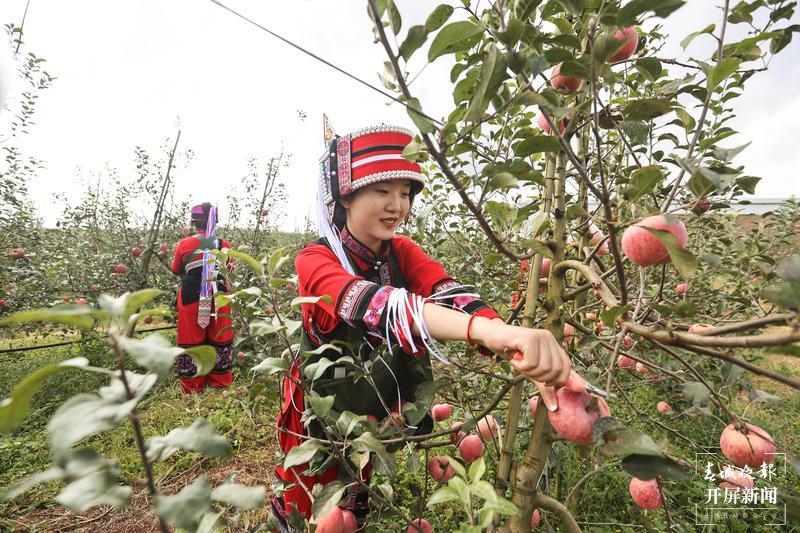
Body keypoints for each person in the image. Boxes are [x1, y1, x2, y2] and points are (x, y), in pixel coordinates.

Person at [271, 124, 576, 531]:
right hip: (319, 411)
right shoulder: (315, 260)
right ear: (345, 196)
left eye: (405, 193)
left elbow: (448, 292)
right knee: (310, 502)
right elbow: (373, 305)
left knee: (354, 490)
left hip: (371, 408)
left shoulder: (401, 250)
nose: (396, 206)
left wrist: (508, 338)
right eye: (383, 191)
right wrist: (488, 333)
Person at [170, 202, 235, 394]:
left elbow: (176, 269)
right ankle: (219, 382)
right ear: (215, 222)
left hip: (191, 297)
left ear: (194, 222)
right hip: (219, 298)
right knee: (220, 336)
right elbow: (229, 270)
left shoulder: (184, 244)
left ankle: (192, 387)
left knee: (191, 339)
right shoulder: (224, 246)